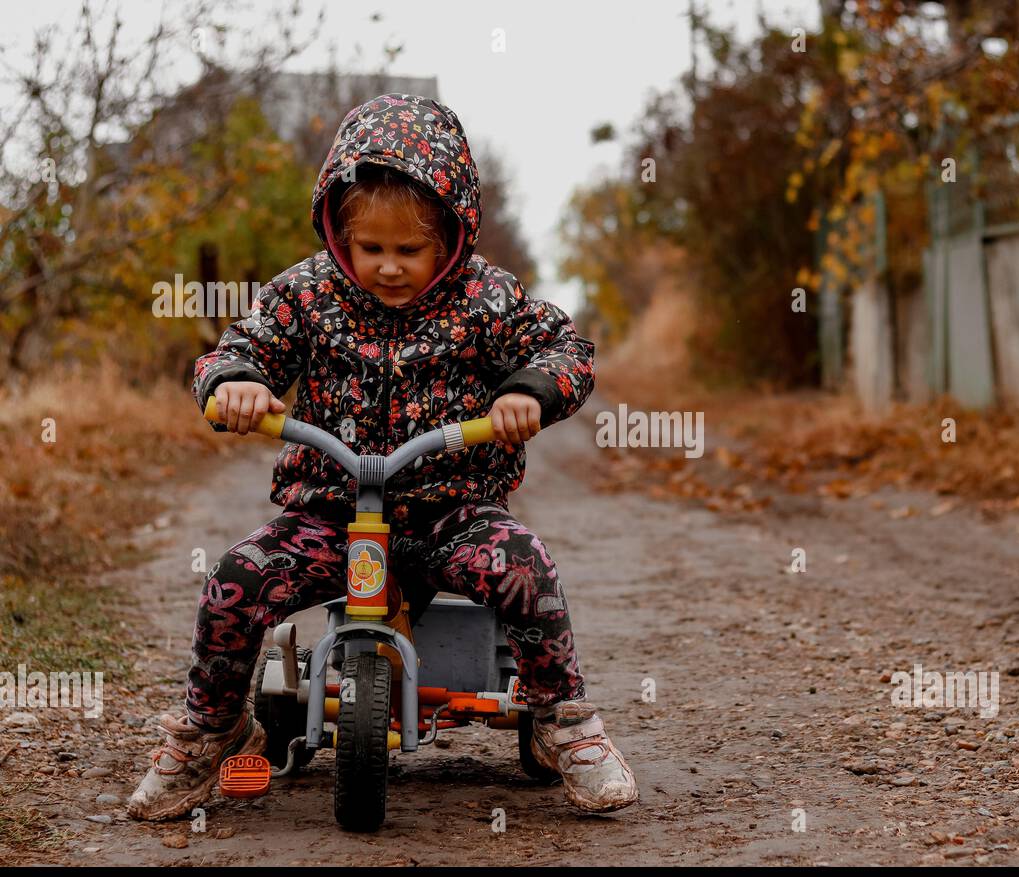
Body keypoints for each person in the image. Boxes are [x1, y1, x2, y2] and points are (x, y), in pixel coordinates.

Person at [127, 93, 637, 821]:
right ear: (339, 232)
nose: (390, 269)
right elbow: (238, 349)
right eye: (372, 249)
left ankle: (565, 723)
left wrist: (529, 392)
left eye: (409, 251)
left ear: (451, 236)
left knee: (525, 568)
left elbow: (565, 350)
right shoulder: (307, 294)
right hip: (331, 512)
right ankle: (211, 730)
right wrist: (237, 384)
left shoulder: (483, 298)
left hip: (448, 510)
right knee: (234, 581)